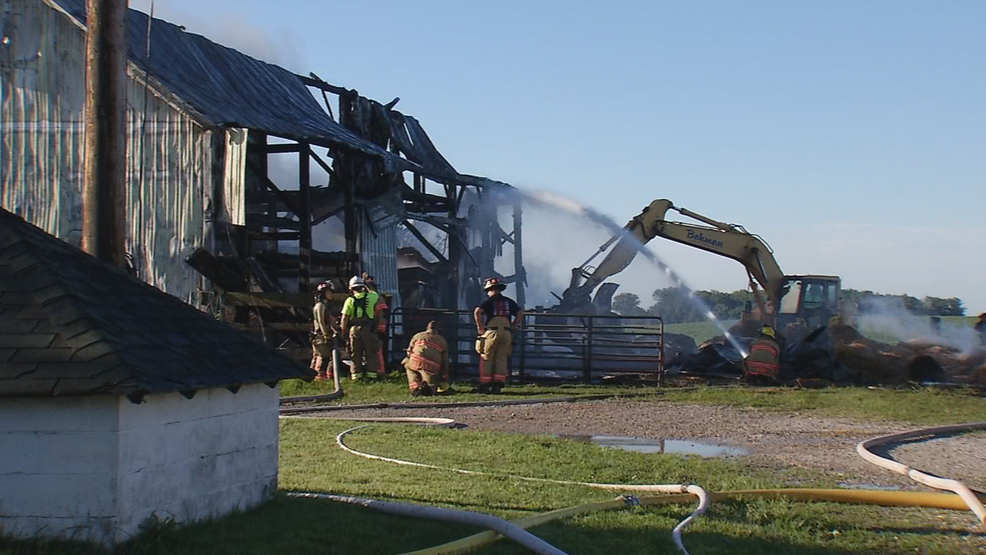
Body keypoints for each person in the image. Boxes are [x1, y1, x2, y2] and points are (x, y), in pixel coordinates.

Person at [473, 277, 523, 394]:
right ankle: (498, 383)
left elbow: (477, 311)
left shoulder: (489, 301)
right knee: (501, 358)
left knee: (487, 357)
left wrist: (480, 327)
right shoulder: (509, 301)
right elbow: (520, 313)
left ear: (489, 289)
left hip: (492, 332)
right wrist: (514, 326)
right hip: (506, 333)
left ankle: (485, 383)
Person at [340, 276, 380, 381]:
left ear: (351, 288)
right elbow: (374, 292)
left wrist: (344, 332)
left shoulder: (349, 300)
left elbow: (344, 318)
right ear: (362, 287)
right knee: (370, 352)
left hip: (354, 329)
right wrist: (367, 283)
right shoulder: (372, 297)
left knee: (355, 354)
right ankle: (372, 377)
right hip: (368, 329)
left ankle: (356, 377)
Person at [402, 320, 449, 396]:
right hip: (431, 366)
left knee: (408, 366)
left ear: (427, 328)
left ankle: (415, 389)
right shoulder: (442, 341)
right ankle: (428, 390)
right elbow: (444, 360)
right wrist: (444, 374)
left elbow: (409, 351)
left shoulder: (418, 336)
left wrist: (408, 358)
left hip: (415, 360)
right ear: (439, 329)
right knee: (431, 385)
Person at [363, 273, 389, 378]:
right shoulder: (374, 297)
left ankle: (378, 372)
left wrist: (380, 329)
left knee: (374, 351)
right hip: (370, 328)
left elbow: (381, 314)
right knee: (374, 351)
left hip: (371, 328)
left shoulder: (374, 297)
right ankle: (376, 371)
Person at [310, 281, 337, 381]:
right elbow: (321, 321)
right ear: (323, 293)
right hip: (320, 336)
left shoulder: (324, 306)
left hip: (319, 335)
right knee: (322, 357)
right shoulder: (320, 305)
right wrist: (325, 334)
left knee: (318, 356)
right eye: (329, 292)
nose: (331, 294)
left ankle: (314, 377)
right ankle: (318, 378)